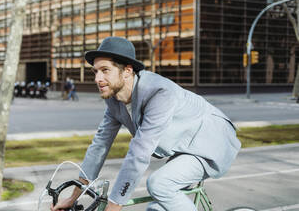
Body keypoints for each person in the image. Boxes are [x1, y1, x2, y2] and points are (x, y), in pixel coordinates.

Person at [51, 37, 241, 211]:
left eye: (105, 70)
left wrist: (115, 205)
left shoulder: (159, 92)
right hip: (183, 146)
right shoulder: (114, 100)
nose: (97, 79)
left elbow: (139, 153)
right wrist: (74, 197)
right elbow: (99, 146)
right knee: (155, 209)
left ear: (127, 71)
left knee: (159, 184)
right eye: (96, 72)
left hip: (211, 142)